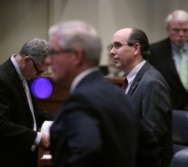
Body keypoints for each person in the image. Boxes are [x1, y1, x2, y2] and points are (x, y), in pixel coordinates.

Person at [46, 20, 139, 167]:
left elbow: (86, 152)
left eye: (53, 53)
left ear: (76, 56)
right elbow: (148, 146)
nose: (48, 60)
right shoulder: (118, 94)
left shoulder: (81, 100)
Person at [109, 28, 173, 167]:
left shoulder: (152, 82)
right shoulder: (134, 79)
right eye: (112, 46)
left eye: (118, 45)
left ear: (136, 48)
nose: (112, 51)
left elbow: (153, 137)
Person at [0, 38, 52, 167]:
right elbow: (2, 124)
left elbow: (30, 113)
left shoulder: (24, 73)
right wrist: (38, 138)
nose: (39, 76)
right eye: (39, 71)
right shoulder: (2, 79)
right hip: (9, 158)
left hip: (26, 155)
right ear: (27, 60)